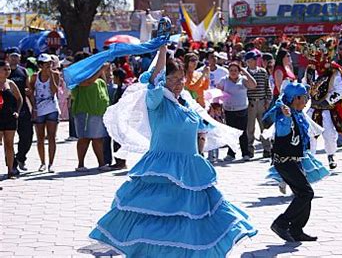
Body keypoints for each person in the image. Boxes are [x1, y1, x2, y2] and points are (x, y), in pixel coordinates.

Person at [90, 45, 257, 256]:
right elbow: (153, 79)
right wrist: (162, 49)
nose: (179, 84)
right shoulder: (157, 101)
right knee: (157, 216)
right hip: (162, 168)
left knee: (192, 218)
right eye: (173, 79)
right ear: (163, 80)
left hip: (190, 167)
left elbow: (202, 128)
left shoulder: (186, 102)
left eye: (181, 79)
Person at [266, 82, 320, 242]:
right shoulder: (285, 118)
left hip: (294, 161)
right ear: (295, 98)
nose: (306, 101)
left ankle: (296, 229)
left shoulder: (297, 114)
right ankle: (281, 223)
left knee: (304, 193)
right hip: (285, 162)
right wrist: (286, 117)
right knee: (306, 193)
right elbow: (282, 129)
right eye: (304, 97)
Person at [303, 41, 342, 170]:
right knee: (310, 135)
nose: (320, 58)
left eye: (323, 55)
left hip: (327, 110)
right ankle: (311, 160)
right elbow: (305, 85)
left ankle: (331, 155)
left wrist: (327, 101)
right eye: (317, 55)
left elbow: (340, 91)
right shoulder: (310, 69)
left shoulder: (335, 71)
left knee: (329, 135)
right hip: (312, 109)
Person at [71, 64, 110, 171]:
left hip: (98, 113)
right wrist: (100, 69)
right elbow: (88, 83)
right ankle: (81, 164)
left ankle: (102, 163)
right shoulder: (80, 80)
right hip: (85, 113)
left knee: (98, 139)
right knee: (84, 138)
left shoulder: (100, 81)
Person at [218, 62, 257, 161]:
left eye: (235, 70)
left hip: (242, 109)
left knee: (243, 132)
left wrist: (246, 72)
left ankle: (245, 153)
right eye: (231, 70)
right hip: (229, 110)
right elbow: (217, 92)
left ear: (239, 71)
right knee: (231, 133)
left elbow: (253, 85)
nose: (233, 72)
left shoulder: (243, 80)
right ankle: (231, 154)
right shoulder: (224, 80)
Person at [30, 54, 61, 173]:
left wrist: (51, 76)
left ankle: (51, 163)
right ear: (40, 65)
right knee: (40, 137)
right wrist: (34, 108)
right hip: (39, 109)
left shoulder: (56, 74)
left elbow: (54, 91)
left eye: (50, 63)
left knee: (51, 136)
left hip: (52, 107)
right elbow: (31, 93)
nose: (49, 65)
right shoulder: (34, 77)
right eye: (46, 63)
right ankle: (42, 162)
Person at [6, 47, 33, 172]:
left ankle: (20, 158)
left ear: (20, 58)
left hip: (22, 108)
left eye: (16, 56)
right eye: (12, 56)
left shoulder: (23, 71)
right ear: (8, 57)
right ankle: (11, 167)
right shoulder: (3, 71)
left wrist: (33, 104)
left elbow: (28, 89)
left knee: (27, 136)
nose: (14, 58)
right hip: (6, 109)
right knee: (8, 141)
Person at [245, 51, 272, 158]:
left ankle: (267, 149)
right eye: (254, 59)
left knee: (264, 126)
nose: (256, 61)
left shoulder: (262, 71)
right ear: (248, 61)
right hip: (250, 102)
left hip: (262, 101)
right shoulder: (245, 73)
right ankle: (250, 149)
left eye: (256, 59)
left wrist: (268, 100)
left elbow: (267, 86)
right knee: (250, 128)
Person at [0, 60, 23, 179]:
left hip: (9, 117)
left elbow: (20, 99)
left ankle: (10, 171)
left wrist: (17, 112)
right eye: (5, 69)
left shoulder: (11, 83)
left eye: (9, 69)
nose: (7, 71)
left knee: (9, 145)